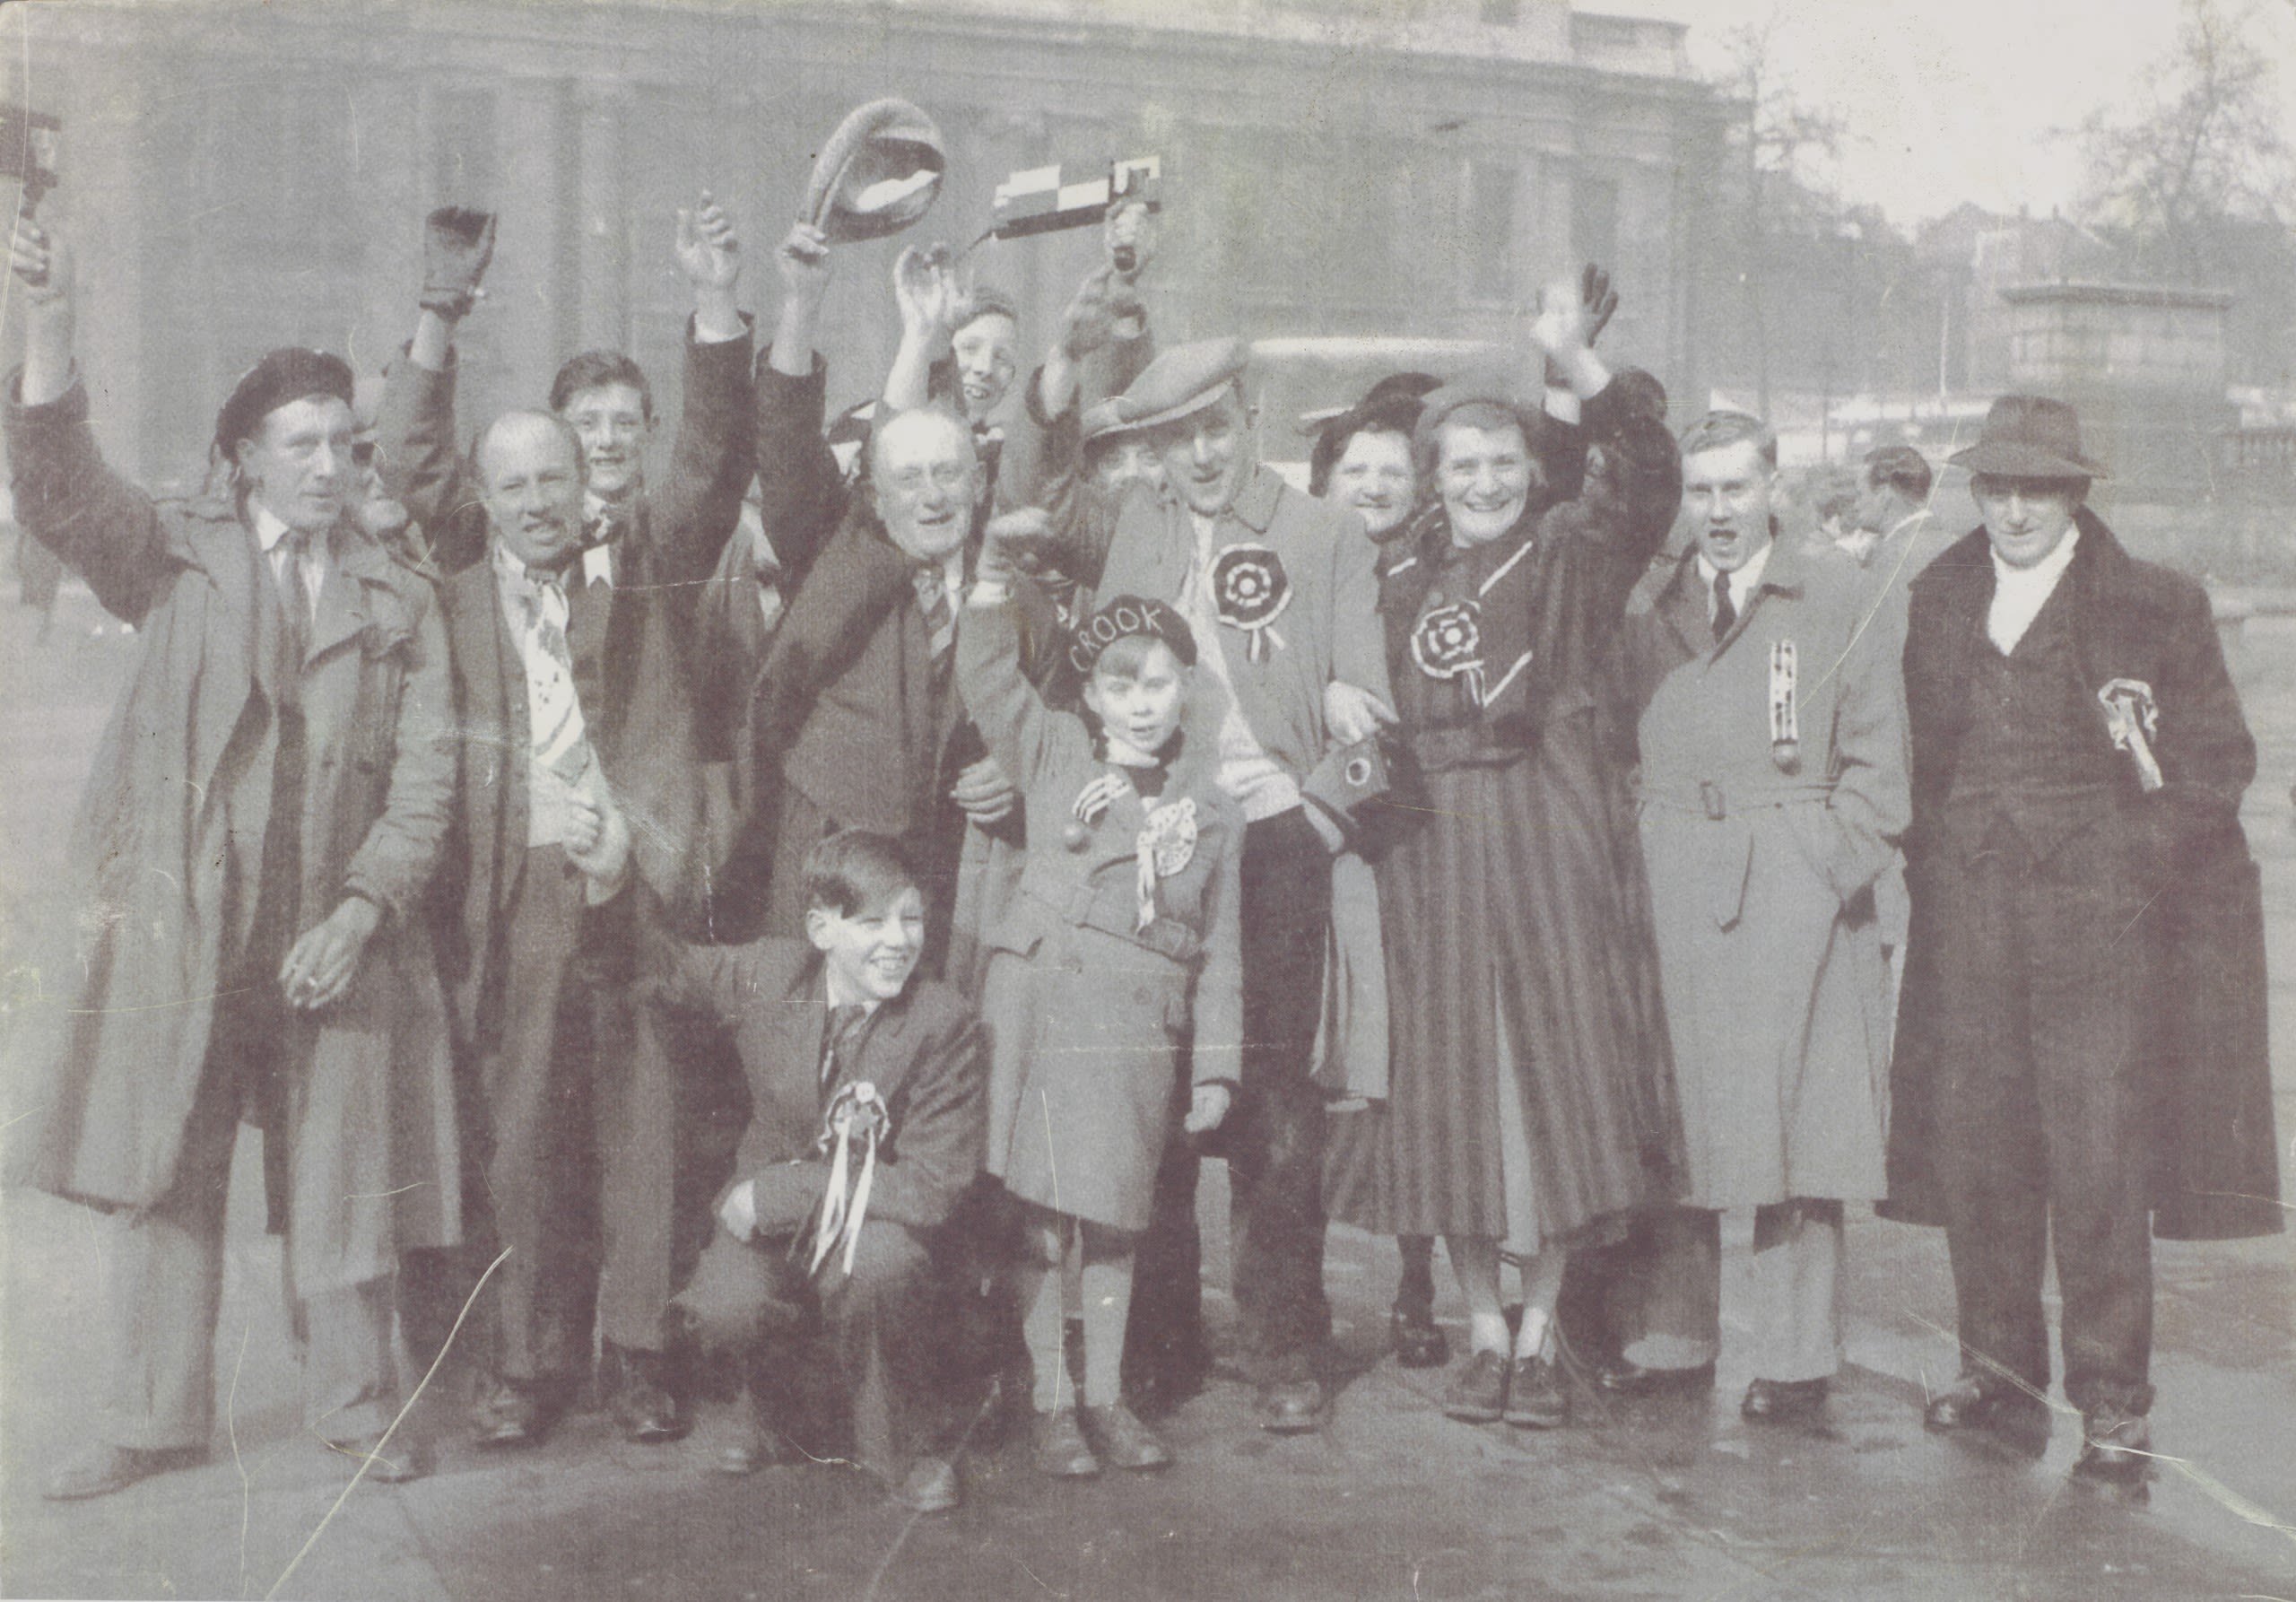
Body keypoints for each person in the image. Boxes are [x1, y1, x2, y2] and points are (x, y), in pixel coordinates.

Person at [6, 221, 462, 1498]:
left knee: (345, 1172)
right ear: (244, 458)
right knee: (167, 1169)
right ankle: (152, 1418)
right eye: (300, 444)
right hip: (191, 930)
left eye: (343, 444)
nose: (327, 467)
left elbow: (428, 776)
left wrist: (363, 911)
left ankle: (357, 1404)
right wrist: (52, 322)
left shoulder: (398, 593)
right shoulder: (175, 553)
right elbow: (59, 493)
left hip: (336, 937)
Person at [383, 197, 752, 1447]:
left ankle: (639, 1353)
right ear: (483, 500)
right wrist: (438, 313)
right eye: (516, 483)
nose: (539, 500)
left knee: (644, 1119)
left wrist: (714, 303)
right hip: (519, 885)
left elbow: (709, 456)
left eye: (556, 476)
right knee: (526, 1127)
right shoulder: (457, 572)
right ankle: (529, 1360)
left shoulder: (640, 550)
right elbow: (411, 453)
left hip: (633, 874)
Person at [1881, 395, 2281, 1475]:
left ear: (2076, 493)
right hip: (1969, 906)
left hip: (2099, 926)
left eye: (2037, 488)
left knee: (2098, 1151)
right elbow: (1909, 752)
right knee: (1980, 1142)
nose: (2012, 509)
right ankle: (1997, 1373)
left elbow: (2216, 766)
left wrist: (2124, 865)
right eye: (1996, 486)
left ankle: (2111, 1398)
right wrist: (1930, 853)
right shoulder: (1938, 592)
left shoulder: (2154, 603)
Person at [1006, 335, 1396, 1434]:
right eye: (1175, 439)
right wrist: (1060, 367)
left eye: (1214, 428)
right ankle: (1159, 1343)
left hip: (1273, 839)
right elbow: (1036, 485)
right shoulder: (1132, 522)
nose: (1199, 454)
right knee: (1154, 1096)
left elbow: (1372, 705)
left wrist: (1315, 816)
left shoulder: (1325, 535)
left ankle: (1282, 1344)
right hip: (1155, 826)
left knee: (1274, 1109)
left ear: (1250, 417)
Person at [1320, 273, 1683, 1431]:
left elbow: (1647, 483)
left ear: (1533, 469)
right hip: (1431, 851)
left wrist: (1573, 359)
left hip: (1547, 833)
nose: (1481, 483)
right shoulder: (1396, 578)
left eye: (1499, 462)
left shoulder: (1573, 551)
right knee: (1451, 1090)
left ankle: (1544, 1332)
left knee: (1555, 1081)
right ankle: (1483, 1325)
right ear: (1434, 480)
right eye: (1459, 465)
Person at [1605, 409, 1909, 1424]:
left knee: (1800, 1125)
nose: (1719, 512)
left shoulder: (1840, 593)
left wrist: (1821, 868)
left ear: (1774, 484)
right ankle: (1672, 1333)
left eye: (1737, 488)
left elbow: (1880, 774)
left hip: (1796, 884)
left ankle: (1794, 1358)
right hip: (1666, 872)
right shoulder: (1646, 596)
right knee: (1670, 1109)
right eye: (1701, 492)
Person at [959, 579, 1242, 1476]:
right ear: (1089, 696)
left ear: (1185, 688)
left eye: (1157, 683)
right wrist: (992, 588)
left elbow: (1221, 951)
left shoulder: (1214, 810)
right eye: (1120, 686)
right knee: (1043, 1221)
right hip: (1044, 1002)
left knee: (1118, 1219)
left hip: (1136, 1023)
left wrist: (1218, 1069)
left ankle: (1106, 1396)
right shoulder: (1049, 751)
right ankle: (1051, 1399)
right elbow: (989, 680)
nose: (1141, 703)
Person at [661, 830, 986, 1515]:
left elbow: (931, 1189)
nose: (898, 940)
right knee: (723, 1307)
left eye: (912, 919)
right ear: (820, 929)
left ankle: (902, 1446)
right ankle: (773, 1416)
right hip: (776, 1233)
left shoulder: (943, 1021)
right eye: (872, 923)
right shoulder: (770, 975)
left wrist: (780, 1192)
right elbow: (664, 964)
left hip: (873, 1228)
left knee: (883, 1268)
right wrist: (605, 874)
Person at [1306, 371, 1447, 1371]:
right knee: (1319, 1071)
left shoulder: (1436, 575)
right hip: (1321, 846)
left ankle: (1417, 1285)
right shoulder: (1300, 571)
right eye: (1355, 468)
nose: (1372, 484)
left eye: (1391, 470)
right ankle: (1298, 1288)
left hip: (1415, 846)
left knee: (1414, 1069)